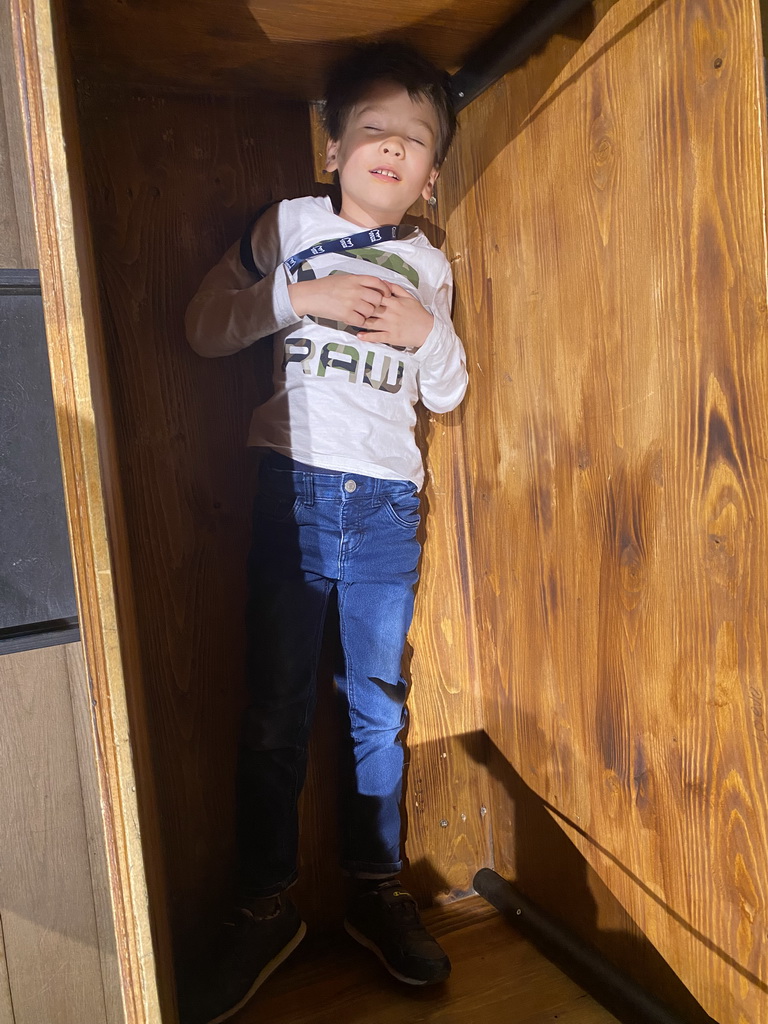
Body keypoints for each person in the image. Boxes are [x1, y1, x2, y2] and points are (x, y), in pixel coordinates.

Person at [183, 40, 467, 1024]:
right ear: (334, 141)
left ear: (434, 170)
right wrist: (295, 297)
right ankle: (267, 906)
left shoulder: (430, 262)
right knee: (274, 705)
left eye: (417, 140)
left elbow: (452, 390)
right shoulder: (293, 225)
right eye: (375, 131)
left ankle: (374, 888)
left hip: (388, 501)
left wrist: (429, 334)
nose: (394, 151)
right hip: (293, 493)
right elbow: (202, 325)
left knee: (377, 702)